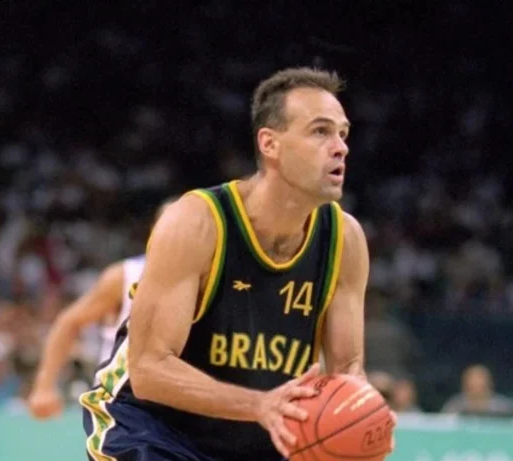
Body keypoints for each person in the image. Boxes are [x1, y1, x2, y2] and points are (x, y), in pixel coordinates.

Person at [79, 67, 395, 460]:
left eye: (343, 134)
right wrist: (258, 405)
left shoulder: (345, 240)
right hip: (151, 430)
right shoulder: (198, 222)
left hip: (258, 441)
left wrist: (362, 415)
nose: (340, 147)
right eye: (320, 131)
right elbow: (148, 370)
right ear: (270, 143)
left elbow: (346, 368)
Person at [27, 199, 174, 420]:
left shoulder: (217, 281)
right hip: (123, 407)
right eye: (171, 225)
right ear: (155, 230)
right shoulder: (125, 275)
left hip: (181, 408)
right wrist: (44, 385)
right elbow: (69, 321)